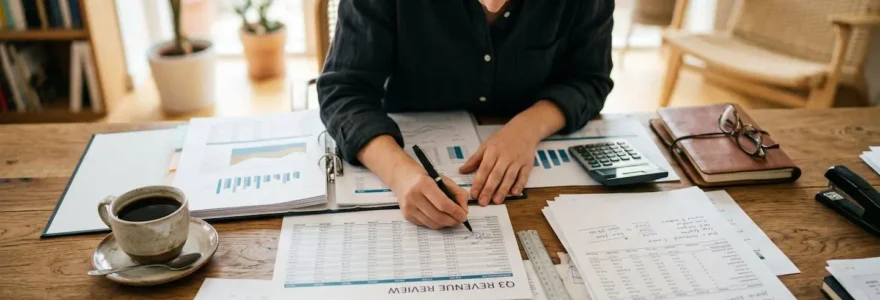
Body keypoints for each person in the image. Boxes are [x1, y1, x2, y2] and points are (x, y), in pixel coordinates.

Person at [318, 0, 614, 229]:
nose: (495, 5)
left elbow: (589, 79)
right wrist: (400, 173)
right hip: (400, 146)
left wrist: (528, 127)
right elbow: (344, 91)